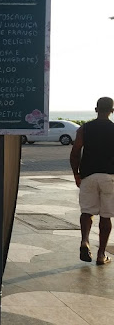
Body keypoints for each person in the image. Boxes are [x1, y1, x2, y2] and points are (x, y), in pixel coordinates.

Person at [70, 97, 114, 265]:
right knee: (106, 216)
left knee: (86, 212)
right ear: (112, 111)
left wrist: (76, 174)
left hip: (88, 175)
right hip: (109, 176)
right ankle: (101, 254)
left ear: (96, 109)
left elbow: (75, 152)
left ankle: (84, 241)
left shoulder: (84, 128)